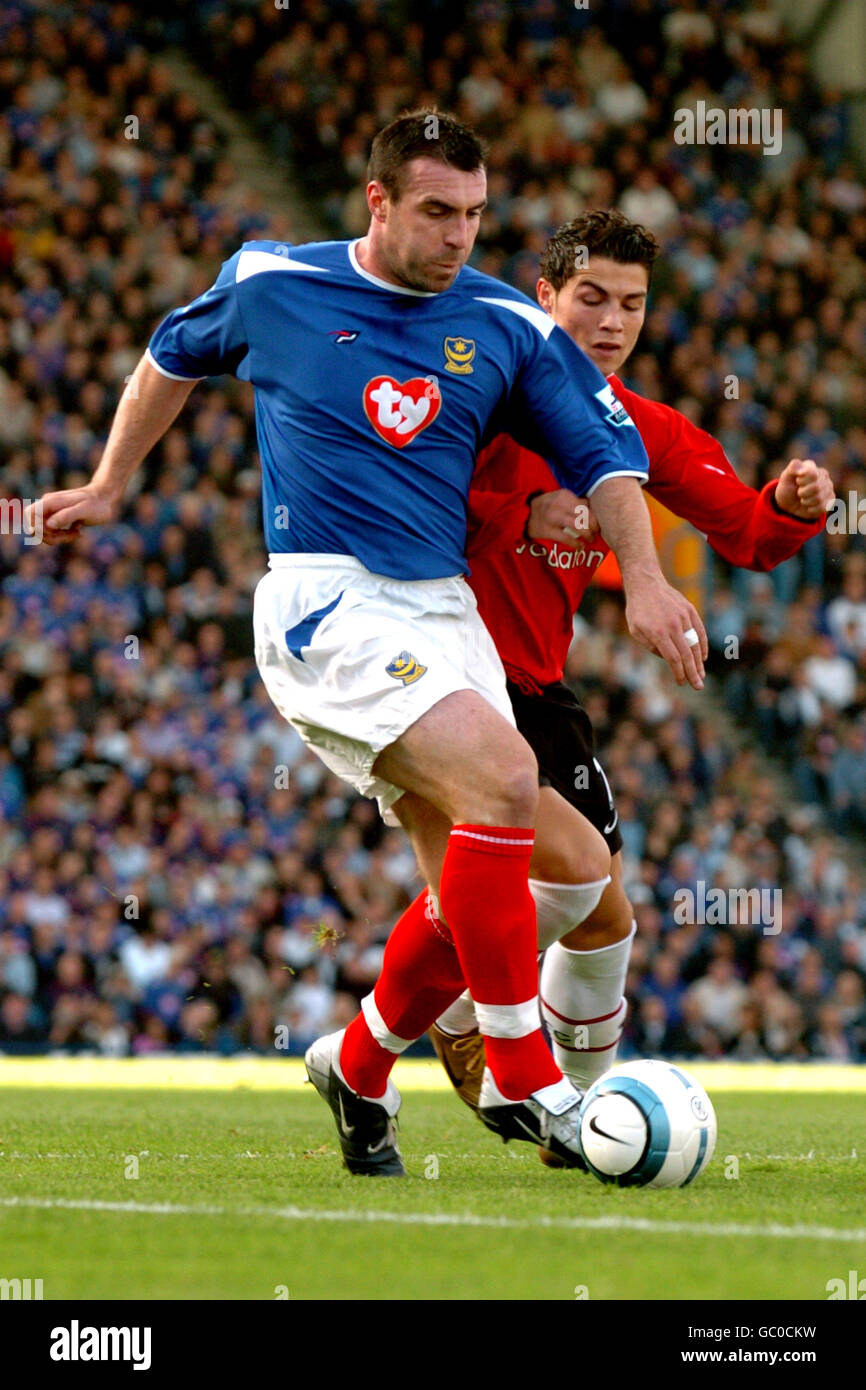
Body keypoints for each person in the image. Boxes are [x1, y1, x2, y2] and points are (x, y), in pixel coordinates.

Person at [26, 112, 706, 1177]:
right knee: (502, 776)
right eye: (436, 211)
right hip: (324, 604)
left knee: (569, 879)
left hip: (442, 613)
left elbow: (606, 453)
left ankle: (356, 1059)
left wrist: (649, 582)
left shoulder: (505, 324)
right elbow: (168, 352)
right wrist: (113, 484)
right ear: (377, 200)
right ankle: (531, 1081)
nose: (458, 238)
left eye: (475, 217)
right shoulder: (271, 284)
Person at [421, 209, 833, 1155]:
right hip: (450, 677)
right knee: (573, 882)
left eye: (633, 305)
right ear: (544, 299)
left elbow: (749, 537)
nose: (613, 321)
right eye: (592, 298)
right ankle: (422, 1031)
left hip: (540, 690)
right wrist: (522, 506)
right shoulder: (476, 393)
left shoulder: (636, 426)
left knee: (607, 921)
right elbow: (405, 501)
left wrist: (791, 503)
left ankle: (576, 1106)